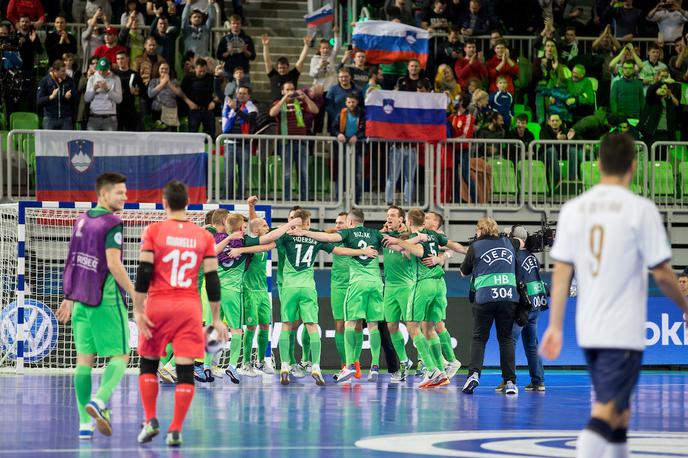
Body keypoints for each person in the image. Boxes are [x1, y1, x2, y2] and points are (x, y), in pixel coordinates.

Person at [540, 132, 688, 458]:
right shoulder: (640, 209)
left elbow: (562, 273)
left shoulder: (574, 209)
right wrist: (686, 307)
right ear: (634, 166)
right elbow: (663, 274)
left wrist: (555, 325)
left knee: (621, 412)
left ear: (597, 165)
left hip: (589, 329)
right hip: (622, 332)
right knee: (606, 410)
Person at [133, 180, 229, 447]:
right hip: (188, 307)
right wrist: (217, 318)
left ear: (164, 203)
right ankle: (175, 429)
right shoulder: (203, 236)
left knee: (149, 364)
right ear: (187, 204)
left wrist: (139, 309)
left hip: (158, 304)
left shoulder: (154, 230)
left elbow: (144, 273)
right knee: (186, 369)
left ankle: (151, 419)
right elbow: (212, 279)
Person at [56, 173, 135, 440]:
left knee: (84, 361)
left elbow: (72, 260)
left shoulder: (82, 219)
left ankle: (84, 424)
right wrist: (135, 293)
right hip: (106, 299)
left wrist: (69, 295)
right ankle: (100, 401)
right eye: (120, 193)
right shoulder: (112, 222)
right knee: (122, 355)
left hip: (80, 302)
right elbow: (114, 264)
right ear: (103, 194)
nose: (125, 197)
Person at [291, 208, 385, 383]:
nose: (337, 225)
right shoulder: (372, 234)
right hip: (346, 284)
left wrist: (302, 231)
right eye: (336, 223)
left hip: (355, 283)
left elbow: (327, 237)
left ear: (348, 222)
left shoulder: (347, 235)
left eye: (341, 222)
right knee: (346, 325)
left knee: (355, 325)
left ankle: (352, 364)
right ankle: (360, 365)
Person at [382, 208, 467, 388]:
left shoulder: (420, 236)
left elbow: (418, 251)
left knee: (413, 326)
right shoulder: (432, 235)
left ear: (408, 221)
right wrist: (470, 253)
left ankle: (432, 369)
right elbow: (453, 246)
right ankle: (441, 371)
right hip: (439, 283)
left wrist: (399, 242)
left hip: (423, 282)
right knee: (429, 327)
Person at [214, 211, 302, 383]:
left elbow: (264, 239)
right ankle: (245, 363)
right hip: (246, 290)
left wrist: (251, 207)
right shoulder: (246, 240)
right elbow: (257, 232)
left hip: (262, 290)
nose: (267, 227)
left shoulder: (253, 241)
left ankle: (260, 361)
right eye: (265, 226)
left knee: (264, 325)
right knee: (249, 327)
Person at [460, 217, 521, 395]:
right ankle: (510, 381)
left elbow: (464, 272)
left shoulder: (475, 247)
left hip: (485, 297)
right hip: (508, 297)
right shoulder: (510, 242)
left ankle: (474, 375)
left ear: (480, 230)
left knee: (479, 338)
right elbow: (523, 241)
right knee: (506, 339)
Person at [507, 225, 546, 392]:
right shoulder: (532, 256)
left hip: (522, 306)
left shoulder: (514, 257)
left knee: (509, 342)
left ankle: (508, 380)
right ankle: (538, 381)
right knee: (532, 344)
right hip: (535, 304)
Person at [268, 81, 319, 201]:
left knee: (303, 171)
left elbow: (315, 110)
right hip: (285, 143)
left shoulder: (300, 102)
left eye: (292, 90)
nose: (290, 92)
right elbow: (272, 113)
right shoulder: (278, 103)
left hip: (301, 141)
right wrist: (283, 100)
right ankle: (287, 198)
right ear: (282, 91)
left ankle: (305, 198)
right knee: (287, 172)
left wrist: (305, 97)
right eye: (287, 90)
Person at [221, 85, 258, 199]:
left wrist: (237, 109)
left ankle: (241, 198)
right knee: (229, 174)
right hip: (230, 144)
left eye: (244, 93)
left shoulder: (252, 107)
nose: (241, 95)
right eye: (239, 93)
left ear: (249, 96)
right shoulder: (229, 106)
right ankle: (227, 198)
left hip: (244, 146)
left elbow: (251, 119)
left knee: (243, 174)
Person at [262, 33, 311, 101]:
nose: (281, 70)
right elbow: (267, 61)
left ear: (288, 67)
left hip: (293, 103)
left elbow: (301, 60)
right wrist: (265, 45)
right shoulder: (273, 75)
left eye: (284, 68)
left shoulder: (294, 74)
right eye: (280, 68)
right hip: (277, 105)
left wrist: (306, 45)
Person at [181, 58, 219, 137]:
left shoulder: (210, 78)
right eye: (199, 71)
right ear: (195, 69)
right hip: (194, 109)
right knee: (192, 133)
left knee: (210, 134)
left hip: (208, 109)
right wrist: (189, 103)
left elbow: (218, 92)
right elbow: (181, 93)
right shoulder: (188, 77)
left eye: (204, 71)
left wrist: (214, 102)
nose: (202, 73)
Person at [37, 60, 78, 130]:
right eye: (62, 71)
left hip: (66, 118)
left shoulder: (69, 80)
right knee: (48, 141)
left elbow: (76, 99)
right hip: (50, 118)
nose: (65, 73)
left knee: (67, 141)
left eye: (65, 70)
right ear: (55, 70)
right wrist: (51, 97)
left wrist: (68, 98)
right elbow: (39, 101)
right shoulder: (45, 81)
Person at [84, 58, 122, 131]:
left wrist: (107, 90)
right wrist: (93, 89)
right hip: (94, 116)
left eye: (104, 70)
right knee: (93, 141)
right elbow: (86, 99)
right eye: (100, 69)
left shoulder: (116, 78)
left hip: (110, 117)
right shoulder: (92, 78)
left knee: (109, 141)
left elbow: (119, 100)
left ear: (108, 68)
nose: (101, 72)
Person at [113, 51, 145, 131]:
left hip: (130, 109)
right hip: (116, 110)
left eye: (122, 58)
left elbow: (144, 90)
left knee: (131, 135)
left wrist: (137, 92)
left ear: (127, 59)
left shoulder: (135, 74)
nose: (120, 61)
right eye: (118, 59)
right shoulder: (113, 75)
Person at [148, 62, 184, 131]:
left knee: (171, 135)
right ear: (158, 70)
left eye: (166, 69)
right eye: (162, 69)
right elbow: (150, 94)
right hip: (157, 111)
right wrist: (163, 83)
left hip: (171, 112)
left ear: (169, 70)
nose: (164, 70)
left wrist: (169, 83)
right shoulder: (154, 81)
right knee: (158, 133)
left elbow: (180, 94)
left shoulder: (174, 81)